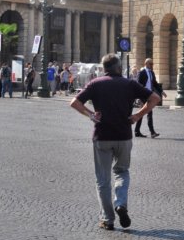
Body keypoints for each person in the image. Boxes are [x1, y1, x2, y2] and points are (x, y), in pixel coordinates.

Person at [70, 53, 161, 230]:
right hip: (123, 135)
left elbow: (74, 102)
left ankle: (108, 219)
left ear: (104, 69)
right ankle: (120, 203)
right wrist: (137, 116)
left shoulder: (95, 84)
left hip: (102, 136)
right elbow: (155, 99)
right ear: (119, 68)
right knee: (122, 172)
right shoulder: (129, 84)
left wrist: (90, 115)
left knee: (102, 180)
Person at [135, 58, 164, 137]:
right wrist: (139, 97)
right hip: (143, 95)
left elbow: (155, 83)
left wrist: (161, 91)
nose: (152, 65)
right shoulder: (142, 72)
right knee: (149, 112)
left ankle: (137, 131)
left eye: (152, 64)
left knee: (142, 113)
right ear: (146, 64)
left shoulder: (151, 72)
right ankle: (152, 132)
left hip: (149, 95)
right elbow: (138, 85)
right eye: (151, 64)